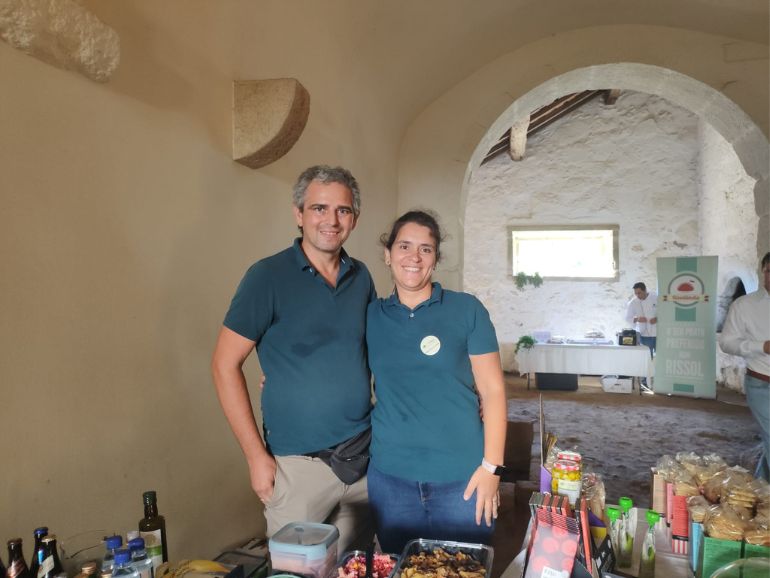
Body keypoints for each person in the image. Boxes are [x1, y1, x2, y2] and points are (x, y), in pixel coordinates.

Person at [211, 165, 376, 551]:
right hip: (297, 469)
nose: (331, 220)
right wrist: (256, 457)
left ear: (354, 219)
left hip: (363, 462)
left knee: (356, 569)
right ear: (298, 214)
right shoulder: (267, 277)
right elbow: (223, 365)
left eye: (342, 210)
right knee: (297, 572)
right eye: (319, 208)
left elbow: (374, 353)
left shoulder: (362, 277)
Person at [365, 210, 507, 552]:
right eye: (404, 246)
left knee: (463, 570)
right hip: (391, 479)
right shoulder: (370, 315)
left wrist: (491, 468)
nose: (414, 257)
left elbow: (493, 391)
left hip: (463, 479)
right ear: (387, 254)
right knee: (401, 568)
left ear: (436, 258)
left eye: (425, 249)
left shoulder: (466, 310)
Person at [719, 252, 770, 481]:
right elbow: (727, 343)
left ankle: (760, 488)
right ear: (763, 272)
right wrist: (762, 346)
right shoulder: (744, 305)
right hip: (762, 384)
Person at [626, 281, 658, 356]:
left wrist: (657, 319)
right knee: (647, 357)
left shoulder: (655, 297)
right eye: (636, 293)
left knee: (660, 356)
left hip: (658, 333)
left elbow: (664, 311)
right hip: (644, 335)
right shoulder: (633, 302)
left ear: (645, 290)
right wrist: (637, 319)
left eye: (639, 293)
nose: (637, 295)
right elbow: (627, 318)